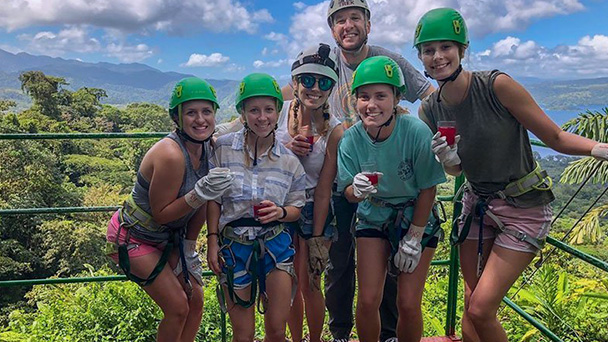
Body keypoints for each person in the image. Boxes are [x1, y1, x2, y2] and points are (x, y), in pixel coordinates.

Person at [415, 8, 608, 342]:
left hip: (524, 205)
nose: (437, 56)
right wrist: (449, 160)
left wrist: (596, 148)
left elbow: (555, 137)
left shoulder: (496, 86)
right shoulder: (431, 109)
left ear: (463, 49)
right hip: (478, 204)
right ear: (420, 57)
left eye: (446, 46)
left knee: (480, 310)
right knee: (471, 302)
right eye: (428, 50)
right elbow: (456, 170)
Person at [322, 1, 436, 341]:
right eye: (340, 20)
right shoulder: (350, 134)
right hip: (363, 193)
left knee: (404, 297)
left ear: (368, 24)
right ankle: (342, 332)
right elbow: (297, 90)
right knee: (348, 274)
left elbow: (429, 95)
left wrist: (439, 137)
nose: (348, 25)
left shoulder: (390, 65)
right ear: (332, 29)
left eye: (354, 17)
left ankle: (390, 333)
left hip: (409, 204)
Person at [105, 77, 233, 342]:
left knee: (195, 301)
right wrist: (199, 193)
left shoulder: (208, 148)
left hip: (168, 238)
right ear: (177, 118)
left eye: (206, 111)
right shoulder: (171, 154)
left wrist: (187, 246)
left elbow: (201, 205)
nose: (200, 119)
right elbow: (162, 212)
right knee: (177, 308)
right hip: (134, 236)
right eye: (191, 113)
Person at [337, 55, 446, 342]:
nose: (371, 104)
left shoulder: (416, 132)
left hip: (415, 216)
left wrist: (414, 236)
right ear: (355, 101)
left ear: (397, 98)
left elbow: (427, 187)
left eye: (380, 96)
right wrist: (356, 190)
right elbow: (348, 190)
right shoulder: (351, 140)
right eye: (363, 97)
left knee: (408, 302)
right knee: (368, 299)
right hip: (373, 215)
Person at [206, 73, 307, 342]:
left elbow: (297, 205)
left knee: (276, 330)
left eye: (268, 110)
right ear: (242, 113)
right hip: (233, 245)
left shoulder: (289, 161)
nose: (262, 117)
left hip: (274, 243)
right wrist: (212, 241)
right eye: (254, 110)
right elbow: (214, 199)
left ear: (277, 111)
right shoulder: (223, 149)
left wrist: (281, 213)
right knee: (244, 333)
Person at [276, 43, 343, 342]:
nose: (314, 88)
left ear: (331, 87)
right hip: (279, 204)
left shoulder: (335, 130)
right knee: (286, 281)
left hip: (315, 205)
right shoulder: (277, 112)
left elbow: (325, 189)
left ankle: (314, 339)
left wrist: (316, 238)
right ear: (295, 81)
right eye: (307, 80)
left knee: (311, 282)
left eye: (324, 82)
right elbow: (250, 139)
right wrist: (286, 150)